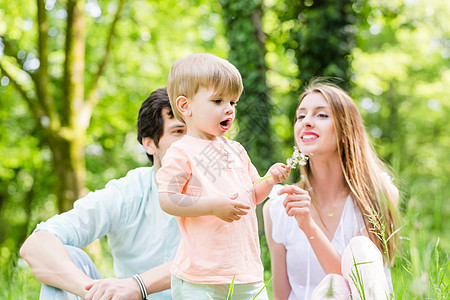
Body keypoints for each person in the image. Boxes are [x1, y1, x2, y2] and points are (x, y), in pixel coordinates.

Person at [20, 87, 187, 300]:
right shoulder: (128, 193)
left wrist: (139, 285)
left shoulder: (223, 191)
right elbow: (36, 245)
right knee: (68, 257)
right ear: (149, 144)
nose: (190, 141)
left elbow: (212, 261)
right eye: (179, 132)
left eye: (194, 131)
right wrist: (93, 292)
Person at [155, 53, 291, 300]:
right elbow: (168, 199)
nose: (228, 108)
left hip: (245, 272)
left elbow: (253, 196)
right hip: (201, 278)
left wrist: (270, 179)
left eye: (233, 102)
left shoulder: (236, 149)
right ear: (186, 106)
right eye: (218, 100)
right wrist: (213, 206)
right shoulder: (181, 152)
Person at [263, 80, 399, 300]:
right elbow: (281, 295)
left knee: (352, 261)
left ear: (346, 130)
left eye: (321, 115)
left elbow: (358, 285)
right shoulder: (278, 207)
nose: (306, 122)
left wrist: (307, 225)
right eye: (300, 116)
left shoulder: (377, 195)